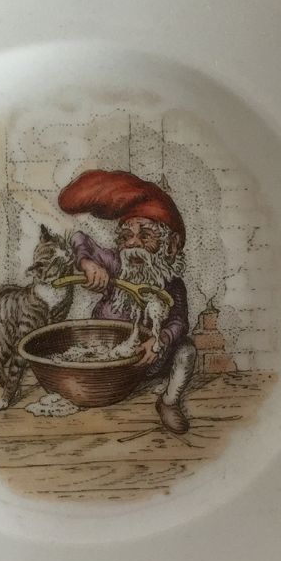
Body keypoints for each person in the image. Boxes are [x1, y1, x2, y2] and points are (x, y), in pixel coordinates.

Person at [58, 169, 197, 434]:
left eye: (145, 236)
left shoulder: (172, 284)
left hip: (150, 358)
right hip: (111, 356)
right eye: (126, 237)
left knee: (187, 351)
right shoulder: (116, 263)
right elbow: (78, 238)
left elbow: (179, 322)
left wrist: (160, 340)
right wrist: (87, 263)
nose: (133, 244)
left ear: (170, 245)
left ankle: (169, 402)